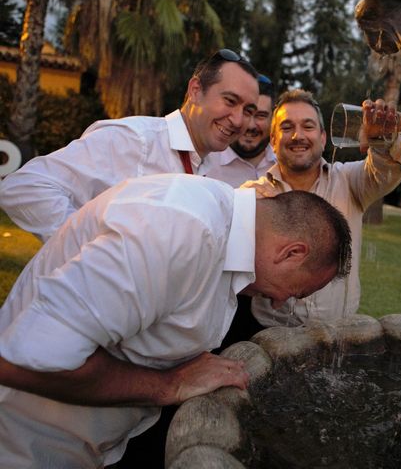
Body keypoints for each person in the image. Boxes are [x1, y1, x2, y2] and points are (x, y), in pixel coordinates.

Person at [0, 173, 352, 468]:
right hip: (27, 448)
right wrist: (168, 385)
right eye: (296, 292)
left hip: (88, 449)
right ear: (292, 252)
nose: (280, 301)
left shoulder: (225, 231)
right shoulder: (179, 231)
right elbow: (26, 362)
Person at [0, 49, 259, 242]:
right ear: (194, 90)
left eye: (248, 110)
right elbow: (25, 186)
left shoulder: (215, 167)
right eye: (229, 101)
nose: (238, 120)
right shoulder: (135, 140)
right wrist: (91, 249)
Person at [242, 89, 401, 328]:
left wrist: (382, 141)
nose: (297, 136)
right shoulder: (252, 196)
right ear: (273, 141)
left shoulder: (350, 181)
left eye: (308, 126)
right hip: (267, 332)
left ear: (323, 138)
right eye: (287, 127)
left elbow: (387, 171)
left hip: (339, 336)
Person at [206, 74, 277, 187]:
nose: (251, 126)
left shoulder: (285, 164)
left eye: (261, 115)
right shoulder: (205, 165)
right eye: (246, 113)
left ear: (273, 118)